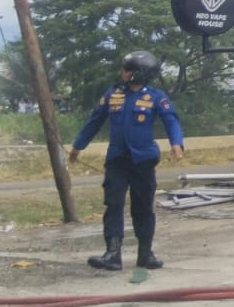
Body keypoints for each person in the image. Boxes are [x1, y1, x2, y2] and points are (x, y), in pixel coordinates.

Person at [68, 51, 184, 271]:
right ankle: (112, 253)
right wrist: (77, 146)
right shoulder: (113, 94)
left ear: (139, 73)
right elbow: (94, 121)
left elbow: (171, 120)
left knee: (142, 208)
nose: (122, 72)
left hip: (143, 160)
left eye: (127, 69)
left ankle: (145, 253)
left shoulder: (156, 97)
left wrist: (176, 143)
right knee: (113, 204)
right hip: (117, 160)